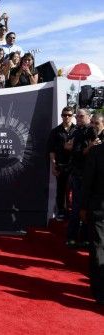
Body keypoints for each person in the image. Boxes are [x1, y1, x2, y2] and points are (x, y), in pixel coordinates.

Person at [81, 116, 104, 305]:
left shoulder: (96, 152)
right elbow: (87, 183)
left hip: (97, 208)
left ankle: (99, 290)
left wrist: (82, 206)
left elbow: (87, 183)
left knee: (98, 248)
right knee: (98, 248)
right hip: (98, 208)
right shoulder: (95, 152)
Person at [66, 108, 93, 247]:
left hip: (92, 175)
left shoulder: (92, 131)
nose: (78, 118)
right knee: (77, 206)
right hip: (78, 173)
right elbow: (74, 151)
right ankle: (72, 237)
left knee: (88, 207)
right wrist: (88, 149)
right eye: (77, 116)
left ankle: (86, 237)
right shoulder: (77, 132)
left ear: (89, 117)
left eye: (81, 116)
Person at [47, 107, 76, 219]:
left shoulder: (77, 130)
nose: (66, 117)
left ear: (72, 116)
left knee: (75, 189)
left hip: (75, 165)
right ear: (61, 115)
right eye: (64, 115)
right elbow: (51, 150)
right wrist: (54, 165)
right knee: (61, 189)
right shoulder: (55, 131)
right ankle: (61, 211)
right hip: (61, 165)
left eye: (69, 115)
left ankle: (74, 211)